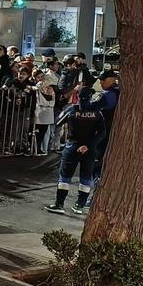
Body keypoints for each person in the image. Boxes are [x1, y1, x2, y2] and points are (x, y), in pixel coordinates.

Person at [46, 87, 106, 215]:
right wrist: (89, 145)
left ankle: (59, 204)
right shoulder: (97, 113)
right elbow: (102, 133)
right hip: (89, 149)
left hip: (72, 146)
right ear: (91, 98)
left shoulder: (72, 109)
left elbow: (58, 122)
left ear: (78, 97)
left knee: (65, 176)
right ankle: (79, 206)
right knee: (86, 177)